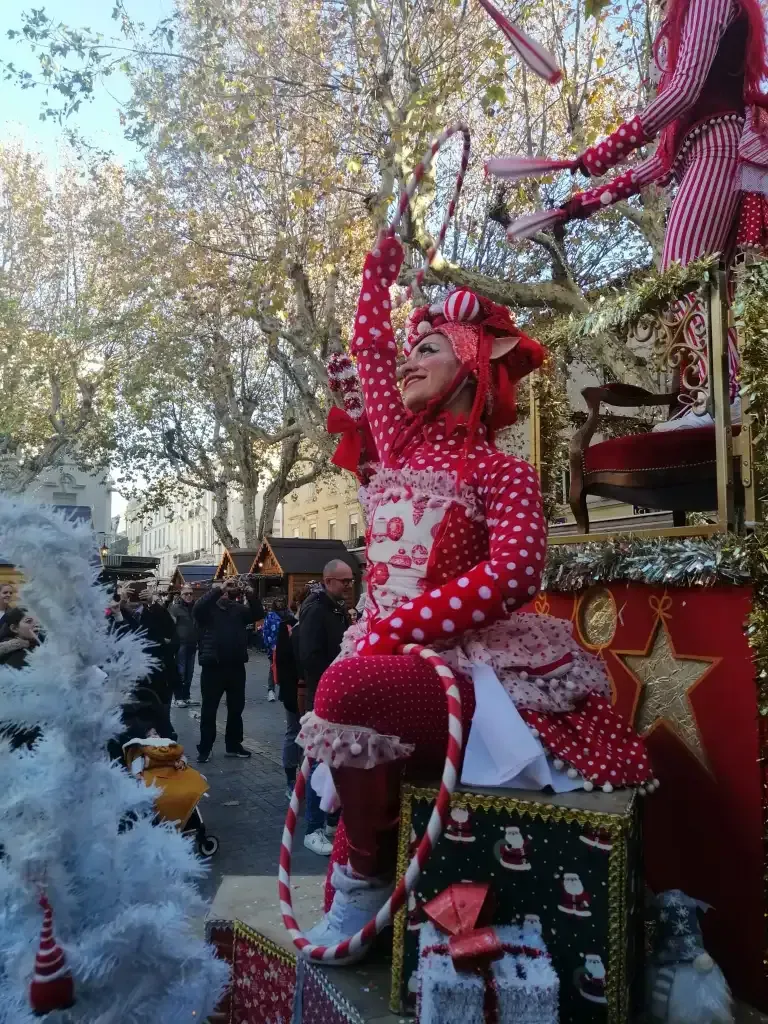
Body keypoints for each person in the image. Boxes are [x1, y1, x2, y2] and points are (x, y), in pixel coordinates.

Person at [295, 236, 653, 955]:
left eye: (427, 349)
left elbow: (516, 573)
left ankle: (366, 882)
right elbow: (370, 350)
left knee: (344, 689)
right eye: (410, 350)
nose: (407, 362)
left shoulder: (504, 473)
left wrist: (403, 627)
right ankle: (365, 883)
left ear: (469, 368)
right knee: (348, 692)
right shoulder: (397, 449)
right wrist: (375, 274)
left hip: (468, 668)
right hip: (386, 654)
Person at [508, 0, 768, 428]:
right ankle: (722, 397)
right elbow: (662, 163)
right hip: (708, 151)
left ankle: (722, 397)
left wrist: (608, 150)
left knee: (681, 278)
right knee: (697, 286)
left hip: (718, 149)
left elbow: (683, 90)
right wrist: (584, 203)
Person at [296, 563, 352, 857]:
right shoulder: (316, 610)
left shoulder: (337, 609)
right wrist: (335, 675)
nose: (349, 586)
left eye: (351, 581)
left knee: (337, 760)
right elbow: (309, 655)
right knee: (319, 760)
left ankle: (330, 821)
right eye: (345, 581)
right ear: (328, 581)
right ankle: (313, 829)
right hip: (323, 696)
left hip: (338, 694)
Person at [193, 579, 265, 763]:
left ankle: (233, 745)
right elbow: (197, 608)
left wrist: (250, 593)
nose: (225, 592)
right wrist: (219, 589)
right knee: (209, 709)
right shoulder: (206, 610)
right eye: (221, 589)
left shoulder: (237, 609)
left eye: (227, 590)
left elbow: (258, 614)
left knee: (236, 708)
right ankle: (205, 748)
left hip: (236, 666)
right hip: (212, 667)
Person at [108, 584, 180, 741]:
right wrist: (120, 605)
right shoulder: (117, 614)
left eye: (139, 592)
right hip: (130, 680)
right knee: (133, 722)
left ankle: (162, 747)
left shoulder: (154, 612)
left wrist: (152, 603)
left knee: (161, 720)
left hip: (158, 678)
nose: (134, 597)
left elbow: (171, 634)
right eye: (130, 592)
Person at [0, 607, 42, 749]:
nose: (35, 624)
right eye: (29, 621)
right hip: (20, 728)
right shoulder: (17, 656)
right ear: (14, 628)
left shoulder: (36, 646)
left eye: (36, 620)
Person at [169, 586, 199, 708]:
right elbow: (170, 625)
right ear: (181, 595)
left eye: (190, 593)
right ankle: (178, 697)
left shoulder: (195, 608)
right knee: (180, 671)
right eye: (186, 594)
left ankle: (186, 696)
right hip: (180, 644)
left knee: (189, 672)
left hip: (192, 643)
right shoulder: (175, 608)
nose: (188, 596)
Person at [262, 596, 296, 702]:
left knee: (286, 669)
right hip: (274, 647)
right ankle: (271, 690)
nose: (280, 603)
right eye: (277, 602)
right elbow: (266, 631)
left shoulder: (289, 615)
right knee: (273, 668)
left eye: (281, 601)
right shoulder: (270, 616)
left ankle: (283, 691)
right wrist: (270, 645)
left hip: (287, 647)